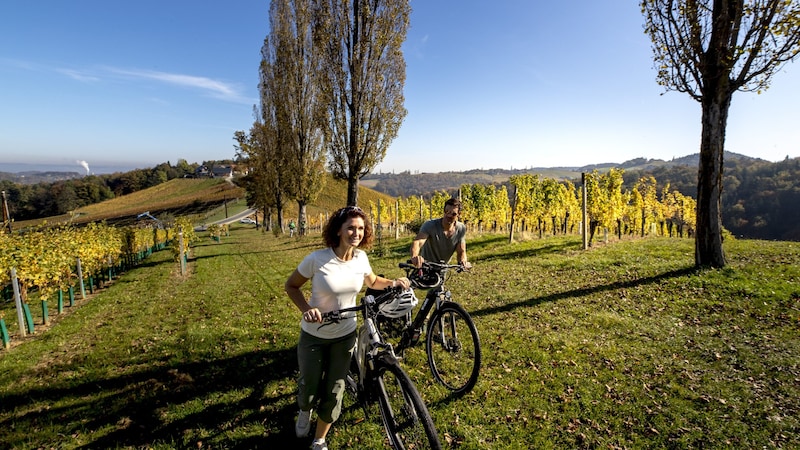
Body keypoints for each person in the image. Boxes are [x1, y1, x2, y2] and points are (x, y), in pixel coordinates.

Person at [285, 206, 410, 450]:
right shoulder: (317, 259)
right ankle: (305, 409)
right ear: (339, 230)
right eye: (351, 227)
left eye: (361, 228)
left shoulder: (361, 258)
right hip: (314, 335)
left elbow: (372, 281)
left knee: (335, 388)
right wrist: (306, 309)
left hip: (345, 335)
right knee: (309, 386)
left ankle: (319, 439)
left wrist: (394, 282)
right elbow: (291, 286)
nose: (356, 232)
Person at [410, 197, 472, 269]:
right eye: (447, 212)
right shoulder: (430, 225)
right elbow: (418, 242)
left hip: (442, 270)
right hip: (425, 267)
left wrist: (463, 261)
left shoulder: (461, 228)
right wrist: (414, 256)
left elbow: (461, 251)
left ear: (459, 214)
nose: (449, 215)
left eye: (453, 214)